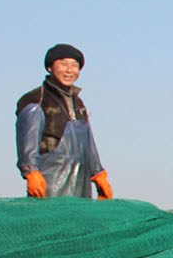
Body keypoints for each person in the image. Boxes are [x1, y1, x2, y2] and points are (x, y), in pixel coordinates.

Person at [15, 43, 112, 200]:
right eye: (63, 64)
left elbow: (88, 141)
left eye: (74, 65)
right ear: (49, 67)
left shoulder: (78, 104)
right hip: (50, 182)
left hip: (80, 183)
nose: (69, 70)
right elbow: (27, 138)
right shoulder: (37, 100)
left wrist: (98, 173)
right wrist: (30, 171)